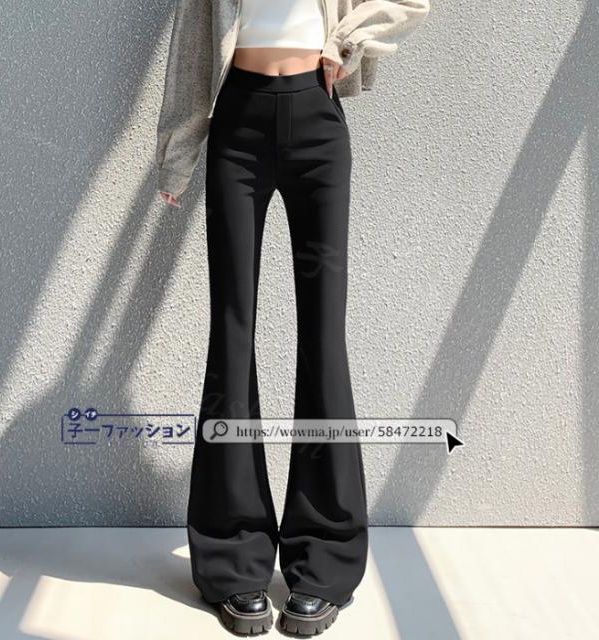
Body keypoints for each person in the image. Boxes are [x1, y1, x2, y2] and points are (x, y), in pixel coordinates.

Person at [155, 0, 430, 634]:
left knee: (324, 342)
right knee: (231, 335)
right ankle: (232, 558)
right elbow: (192, 47)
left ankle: (325, 558)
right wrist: (178, 150)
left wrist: (347, 41)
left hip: (316, 120)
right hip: (239, 122)